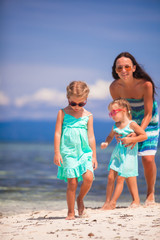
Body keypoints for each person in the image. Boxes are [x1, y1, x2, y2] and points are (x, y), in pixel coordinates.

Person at [110, 52, 159, 205]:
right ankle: (135, 200)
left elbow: (149, 113)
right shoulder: (114, 87)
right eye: (119, 68)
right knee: (129, 159)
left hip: (148, 122)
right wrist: (120, 130)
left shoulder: (146, 85)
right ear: (115, 70)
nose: (123, 70)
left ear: (133, 68)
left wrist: (138, 132)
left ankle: (150, 193)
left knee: (147, 158)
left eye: (127, 67)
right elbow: (119, 112)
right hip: (129, 122)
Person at [54, 81, 98, 220]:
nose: (77, 107)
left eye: (81, 104)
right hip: (68, 152)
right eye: (74, 104)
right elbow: (57, 134)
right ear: (68, 98)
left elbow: (91, 136)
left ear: (86, 100)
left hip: (84, 152)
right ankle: (70, 212)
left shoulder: (88, 115)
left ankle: (80, 199)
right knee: (72, 182)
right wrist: (57, 152)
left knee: (89, 178)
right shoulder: (62, 113)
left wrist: (94, 156)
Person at [101, 99, 147, 210]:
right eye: (110, 113)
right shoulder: (115, 125)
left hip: (128, 156)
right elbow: (110, 136)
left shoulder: (132, 125)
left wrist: (131, 140)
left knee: (121, 178)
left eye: (114, 112)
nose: (112, 115)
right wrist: (106, 142)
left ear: (124, 110)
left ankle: (113, 202)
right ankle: (107, 202)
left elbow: (144, 136)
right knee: (110, 177)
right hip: (117, 154)